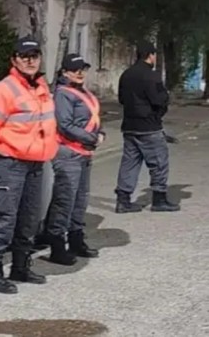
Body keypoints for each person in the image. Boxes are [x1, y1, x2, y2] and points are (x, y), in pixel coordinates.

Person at [0, 35, 59, 294]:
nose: (30, 60)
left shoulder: (41, 87)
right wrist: (2, 155)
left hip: (36, 163)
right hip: (12, 163)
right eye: (25, 56)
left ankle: (21, 266)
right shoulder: (4, 90)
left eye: (34, 55)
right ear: (14, 60)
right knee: (4, 217)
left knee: (29, 217)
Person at [44, 54, 104, 265]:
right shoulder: (62, 94)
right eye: (74, 69)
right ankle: (57, 245)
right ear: (64, 72)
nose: (80, 73)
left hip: (84, 151)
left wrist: (100, 132)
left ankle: (76, 239)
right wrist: (93, 137)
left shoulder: (83, 92)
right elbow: (65, 125)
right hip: (68, 152)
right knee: (65, 199)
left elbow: (91, 118)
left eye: (82, 69)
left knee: (80, 199)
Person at [114, 40, 180, 213]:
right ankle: (159, 199)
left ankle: (123, 199)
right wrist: (162, 106)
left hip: (129, 125)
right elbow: (159, 99)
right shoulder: (152, 76)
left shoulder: (126, 75)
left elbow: (121, 99)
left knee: (129, 163)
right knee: (158, 162)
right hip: (149, 126)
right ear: (151, 55)